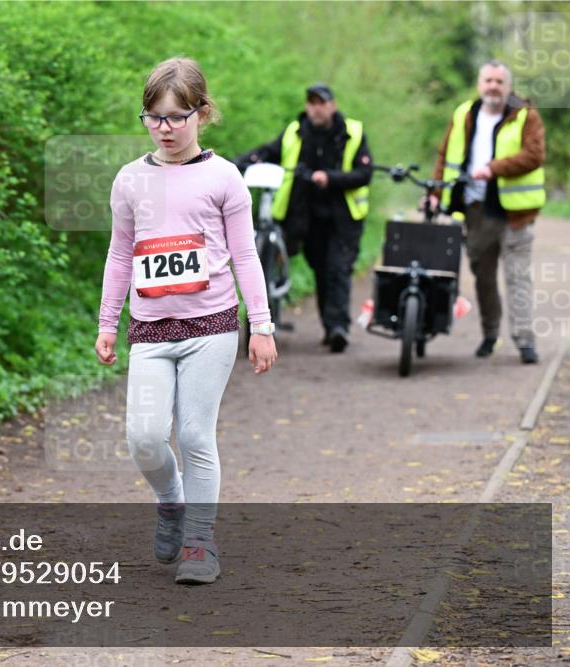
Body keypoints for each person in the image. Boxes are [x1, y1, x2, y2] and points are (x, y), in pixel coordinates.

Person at [94, 56, 277, 585]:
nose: (165, 128)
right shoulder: (130, 180)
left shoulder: (224, 178)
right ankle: (170, 502)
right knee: (145, 440)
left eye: (176, 116)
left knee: (196, 435)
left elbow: (246, 255)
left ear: (202, 113)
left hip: (211, 327)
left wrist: (261, 325)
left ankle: (199, 542)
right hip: (149, 330)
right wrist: (109, 322)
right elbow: (120, 255)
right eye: (154, 117)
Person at [232, 83, 373, 352]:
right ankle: (274, 320)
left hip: (342, 218)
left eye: (322, 103)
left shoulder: (353, 133)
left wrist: (330, 178)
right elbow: (267, 152)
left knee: (337, 270)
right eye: (312, 103)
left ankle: (337, 328)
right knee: (320, 270)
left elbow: (364, 174)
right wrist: (237, 164)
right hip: (303, 217)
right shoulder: (295, 132)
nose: (316, 108)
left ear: (332, 105)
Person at [427, 60, 545, 364]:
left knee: (517, 277)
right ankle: (490, 334)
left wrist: (493, 168)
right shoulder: (464, 114)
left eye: (499, 81)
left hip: (516, 214)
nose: (493, 86)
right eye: (488, 81)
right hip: (476, 212)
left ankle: (524, 340)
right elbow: (445, 156)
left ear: (508, 86)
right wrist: (435, 192)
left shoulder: (524, 116)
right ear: (480, 84)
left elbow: (534, 155)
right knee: (483, 276)